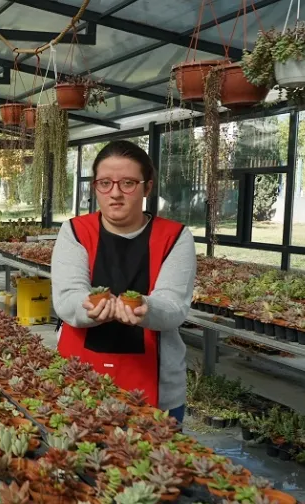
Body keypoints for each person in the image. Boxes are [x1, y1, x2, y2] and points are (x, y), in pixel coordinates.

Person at [50, 140, 196, 424]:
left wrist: (145, 308)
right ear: (95, 187)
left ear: (147, 187)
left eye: (128, 183)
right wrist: (90, 308)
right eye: (105, 183)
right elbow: (67, 298)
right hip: (78, 378)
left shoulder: (174, 237)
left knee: (153, 450)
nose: (115, 193)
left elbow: (174, 306)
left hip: (157, 386)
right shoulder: (76, 231)